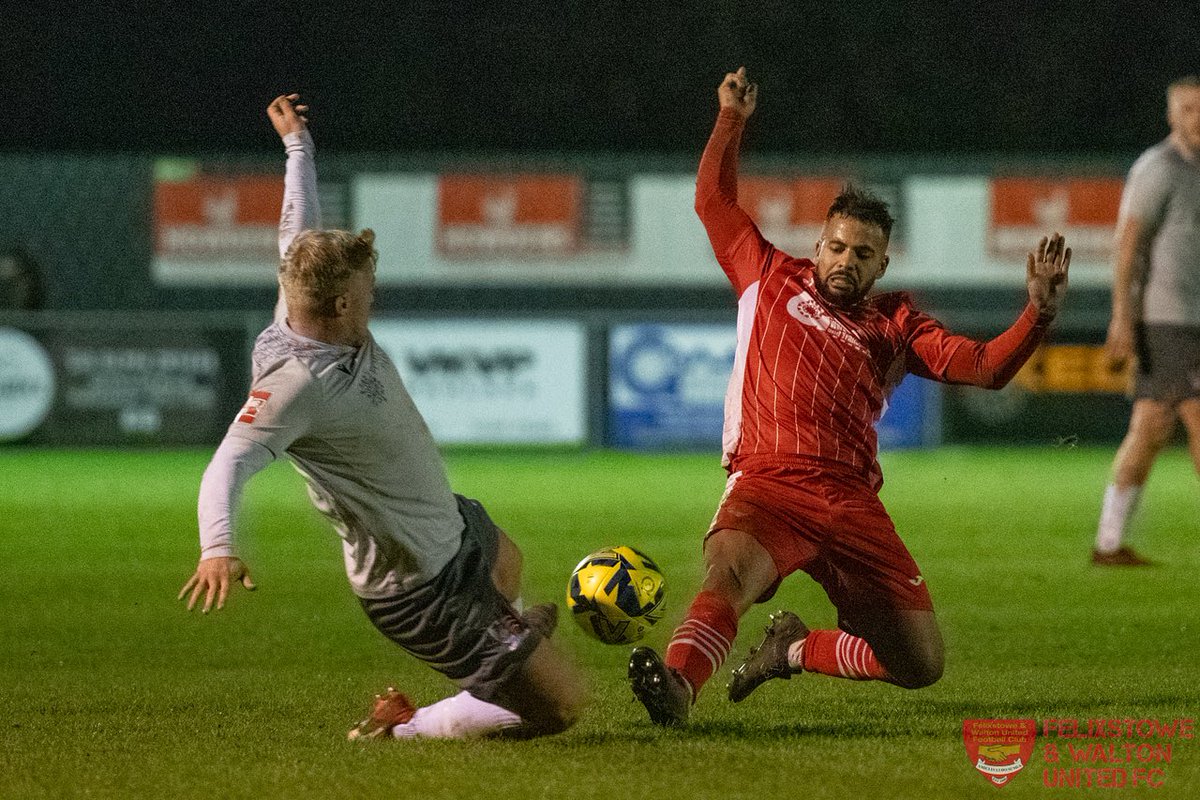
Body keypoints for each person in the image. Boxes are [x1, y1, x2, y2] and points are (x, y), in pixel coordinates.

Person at [628, 68, 1071, 725]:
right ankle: (678, 687)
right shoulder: (767, 273)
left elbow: (984, 368)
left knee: (919, 664)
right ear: (818, 246)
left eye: (863, 254)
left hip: (851, 502)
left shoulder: (897, 325)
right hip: (769, 483)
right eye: (837, 247)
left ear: (881, 265)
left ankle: (794, 649)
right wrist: (731, 118)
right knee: (729, 576)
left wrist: (1037, 314)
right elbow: (712, 202)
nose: (846, 260)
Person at [178, 94, 585, 741]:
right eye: (368, 291)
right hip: (417, 583)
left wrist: (298, 147)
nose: (376, 297)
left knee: (506, 558)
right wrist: (218, 547)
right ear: (340, 304)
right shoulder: (294, 384)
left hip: (450, 526)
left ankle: (503, 652)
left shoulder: (303, 304)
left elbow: (298, 231)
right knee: (562, 709)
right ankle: (401, 727)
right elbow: (228, 461)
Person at [1093, 75, 1200, 567]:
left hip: (1192, 319)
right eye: (1187, 109)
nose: (1196, 119)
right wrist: (1123, 316)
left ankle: (1109, 543)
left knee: (1150, 426)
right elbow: (1128, 245)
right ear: (1171, 116)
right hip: (1168, 319)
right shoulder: (1158, 168)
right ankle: (1108, 542)